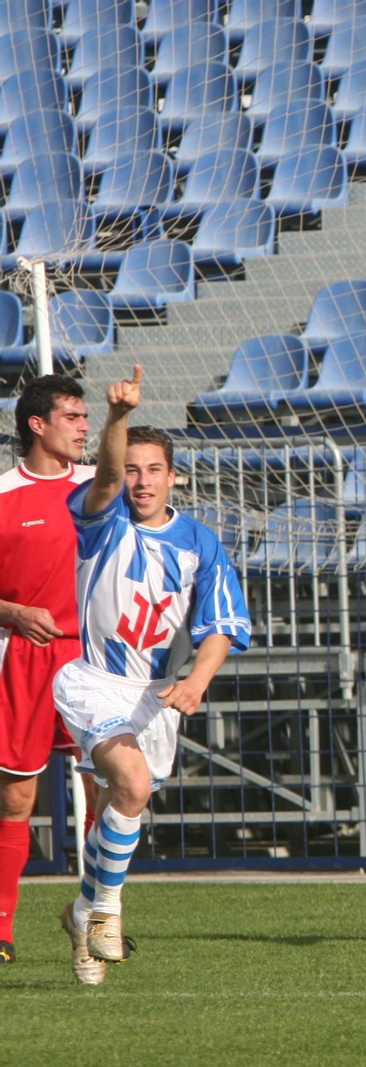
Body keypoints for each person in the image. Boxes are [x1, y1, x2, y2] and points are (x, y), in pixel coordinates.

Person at [56, 366, 251, 985]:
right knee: (131, 785)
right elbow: (105, 476)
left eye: (153, 470)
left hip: (154, 697)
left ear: (173, 477)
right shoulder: (103, 523)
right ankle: (106, 912)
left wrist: (197, 680)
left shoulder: (200, 543)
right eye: (132, 469)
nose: (140, 481)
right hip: (90, 680)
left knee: (128, 798)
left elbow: (221, 624)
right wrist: (116, 416)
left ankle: (84, 911)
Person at [0, 375, 96, 967]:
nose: (84, 426)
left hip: (91, 659)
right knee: (17, 796)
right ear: (38, 424)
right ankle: (1, 927)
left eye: (88, 417)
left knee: (106, 792)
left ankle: (95, 917)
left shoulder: (99, 488)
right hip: (25, 656)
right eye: (73, 416)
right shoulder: (3, 494)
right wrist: (11, 610)